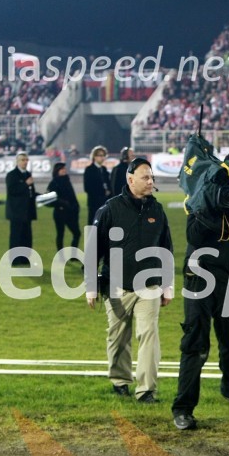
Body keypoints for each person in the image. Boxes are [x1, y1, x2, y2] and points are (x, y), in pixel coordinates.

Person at [172, 149, 229, 430]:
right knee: (195, 342)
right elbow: (193, 235)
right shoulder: (205, 193)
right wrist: (212, 209)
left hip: (228, 278)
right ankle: (183, 408)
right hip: (199, 277)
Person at [87, 158, 173, 403]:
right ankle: (120, 380)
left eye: (152, 177)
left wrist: (167, 286)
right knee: (118, 337)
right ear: (130, 179)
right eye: (145, 177)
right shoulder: (110, 209)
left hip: (150, 286)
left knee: (149, 335)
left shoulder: (157, 210)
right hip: (116, 285)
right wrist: (91, 286)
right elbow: (93, 248)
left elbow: (166, 248)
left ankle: (146, 390)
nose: (151, 182)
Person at [5, 152, 38, 266]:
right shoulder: (12, 175)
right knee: (16, 236)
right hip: (16, 212)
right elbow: (12, 191)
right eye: (22, 160)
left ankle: (25, 258)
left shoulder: (28, 174)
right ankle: (14, 259)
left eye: (26, 160)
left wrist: (41, 195)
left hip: (27, 211)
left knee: (27, 236)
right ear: (17, 162)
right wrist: (25, 184)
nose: (25, 162)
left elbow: (31, 192)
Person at [46, 162, 81, 255]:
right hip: (60, 212)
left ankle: (73, 255)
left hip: (71, 212)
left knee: (77, 233)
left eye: (65, 169)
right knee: (61, 234)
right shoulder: (53, 183)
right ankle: (60, 255)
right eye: (62, 169)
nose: (64, 170)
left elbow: (72, 196)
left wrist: (76, 206)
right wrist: (62, 204)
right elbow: (50, 199)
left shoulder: (67, 180)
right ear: (57, 171)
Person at [83, 145, 111, 225]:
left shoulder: (104, 169)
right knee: (93, 224)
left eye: (103, 155)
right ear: (94, 156)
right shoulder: (89, 169)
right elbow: (87, 187)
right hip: (94, 202)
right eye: (100, 155)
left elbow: (107, 183)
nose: (102, 157)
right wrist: (102, 192)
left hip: (104, 201)